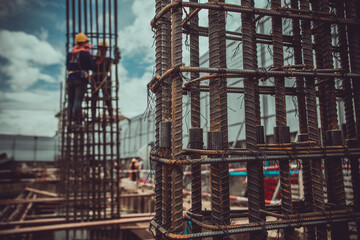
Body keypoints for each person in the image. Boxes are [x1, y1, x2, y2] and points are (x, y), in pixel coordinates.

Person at [66, 33, 95, 128]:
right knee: (78, 101)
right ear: (85, 42)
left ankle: (69, 122)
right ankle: (76, 122)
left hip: (70, 79)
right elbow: (92, 66)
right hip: (80, 79)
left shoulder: (71, 53)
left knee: (70, 101)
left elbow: (67, 66)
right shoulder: (85, 53)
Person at [91, 41, 120, 123]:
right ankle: (93, 118)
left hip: (105, 80)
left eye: (105, 49)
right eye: (101, 49)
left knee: (108, 98)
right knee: (94, 99)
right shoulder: (94, 59)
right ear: (99, 49)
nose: (103, 51)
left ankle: (111, 116)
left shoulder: (108, 60)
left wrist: (116, 52)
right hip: (95, 79)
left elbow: (116, 61)